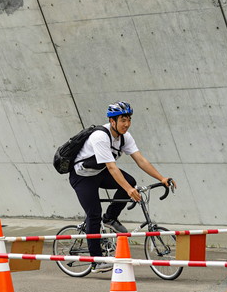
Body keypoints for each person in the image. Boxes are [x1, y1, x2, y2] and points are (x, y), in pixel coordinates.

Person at [69, 101, 176, 271]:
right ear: (112, 121)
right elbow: (112, 167)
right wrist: (128, 190)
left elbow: (140, 159)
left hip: (99, 172)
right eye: (123, 120)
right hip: (82, 177)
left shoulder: (125, 137)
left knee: (131, 181)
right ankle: (96, 260)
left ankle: (110, 217)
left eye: (129, 120)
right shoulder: (100, 137)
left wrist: (162, 177)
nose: (126, 124)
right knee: (94, 214)